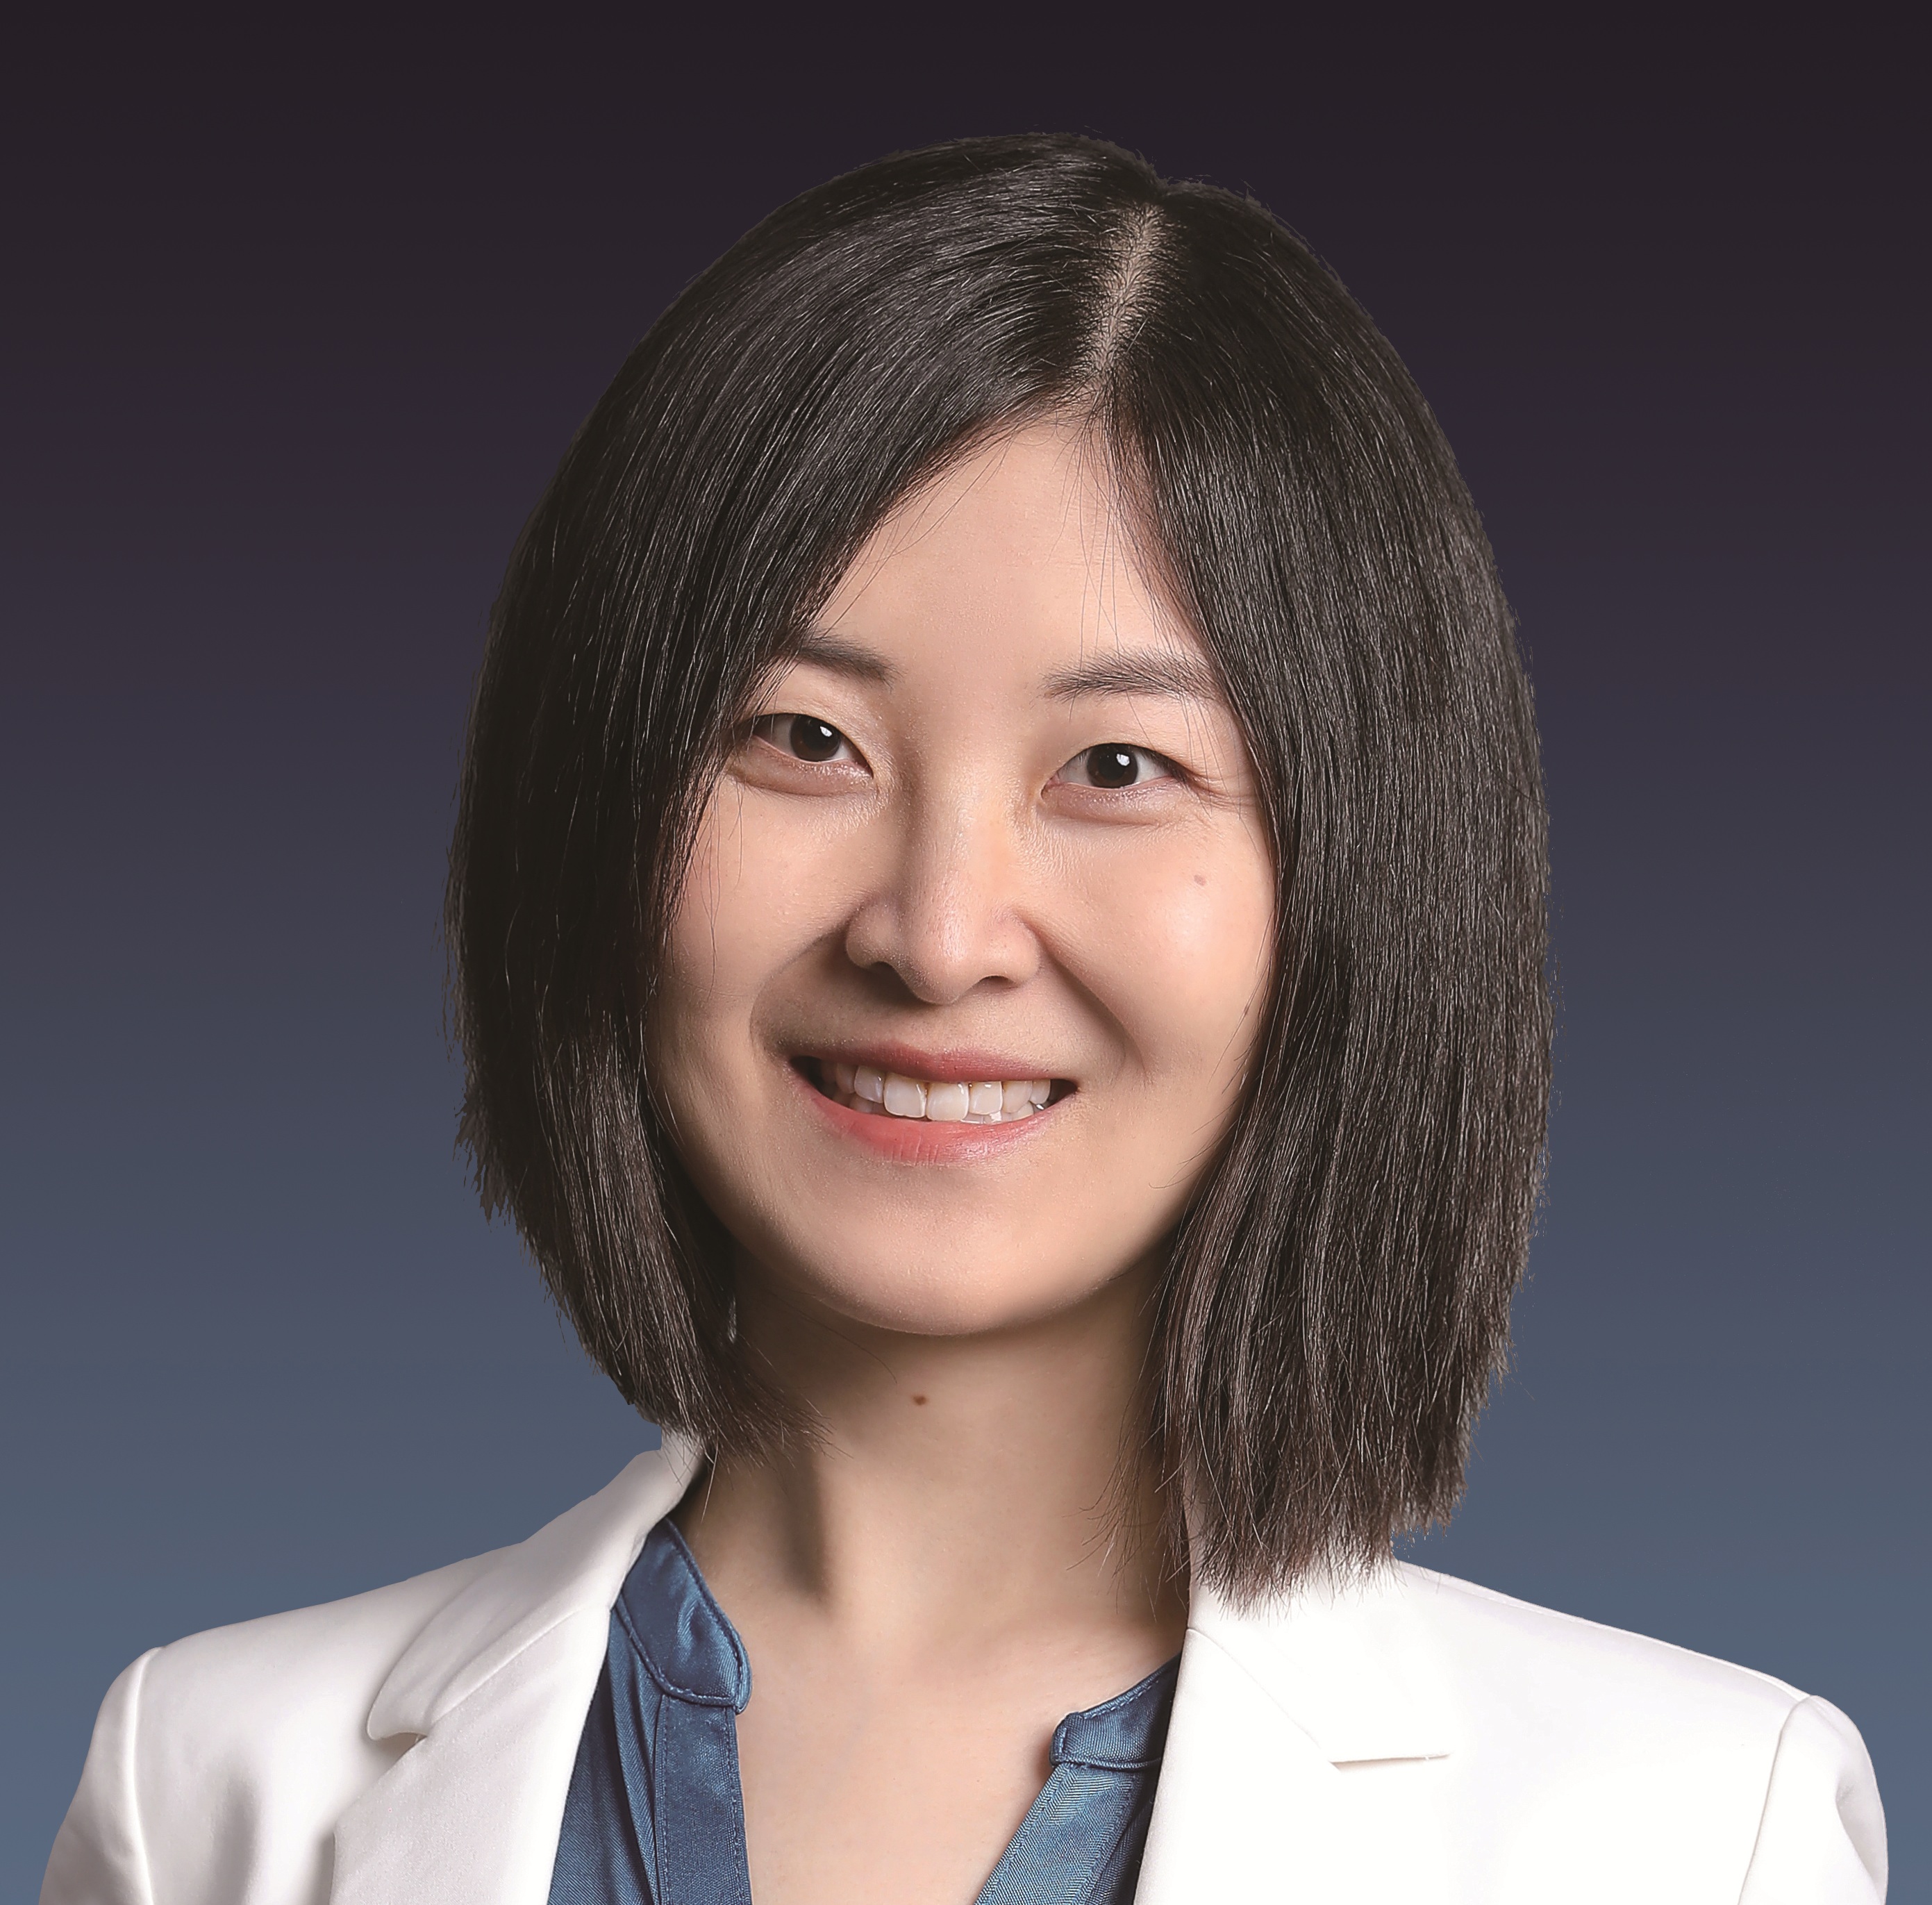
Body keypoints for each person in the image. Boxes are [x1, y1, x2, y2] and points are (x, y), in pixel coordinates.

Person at [41, 133, 1886, 1905]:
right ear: (591, 805)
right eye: (803, 739)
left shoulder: (1693, 1838)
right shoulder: (208, 1788)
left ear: (1365, 876)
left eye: (1118, 766)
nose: (936, 938)